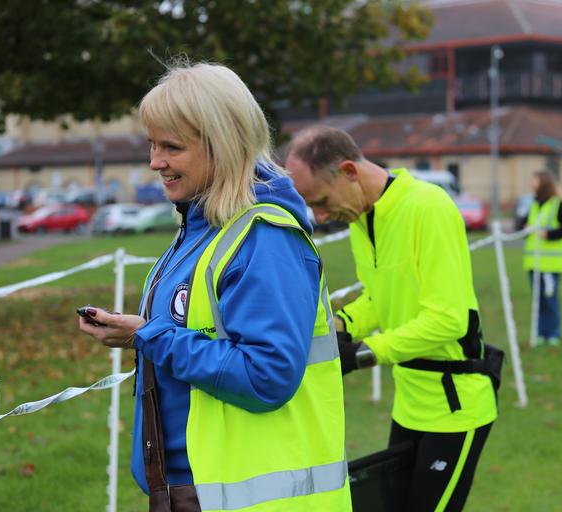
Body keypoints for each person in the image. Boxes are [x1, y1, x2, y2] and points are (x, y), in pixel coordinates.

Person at [78, 63, 351, 512]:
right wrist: (141, 335)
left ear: (223, 144)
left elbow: (266, 376)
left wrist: (148, 335)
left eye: (172, 147)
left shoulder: (264, 238)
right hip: (193, 490)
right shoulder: (201, 229)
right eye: (152, 144)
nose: (155, 162)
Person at [286, 126, 498, 512]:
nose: (320, 215)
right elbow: (378, 296)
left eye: (322, 201)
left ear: (349, 171)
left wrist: (364, 353)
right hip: (409, 404)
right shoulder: (361, 219)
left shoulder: (427, 207)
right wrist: (337, 327)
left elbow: (448, 319)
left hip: (456, 408)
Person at [515, 170, 562, 347]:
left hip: (551, 264)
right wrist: (524, 227)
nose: (532, 184)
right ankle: (541, 333)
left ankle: (553, 333)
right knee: (538, 300)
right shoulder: (533, 204)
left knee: (549, 299)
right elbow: (520, 225)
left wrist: (548, 234)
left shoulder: (558, 205)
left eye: (535, 181)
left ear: (544, 183)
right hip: (533, 263)